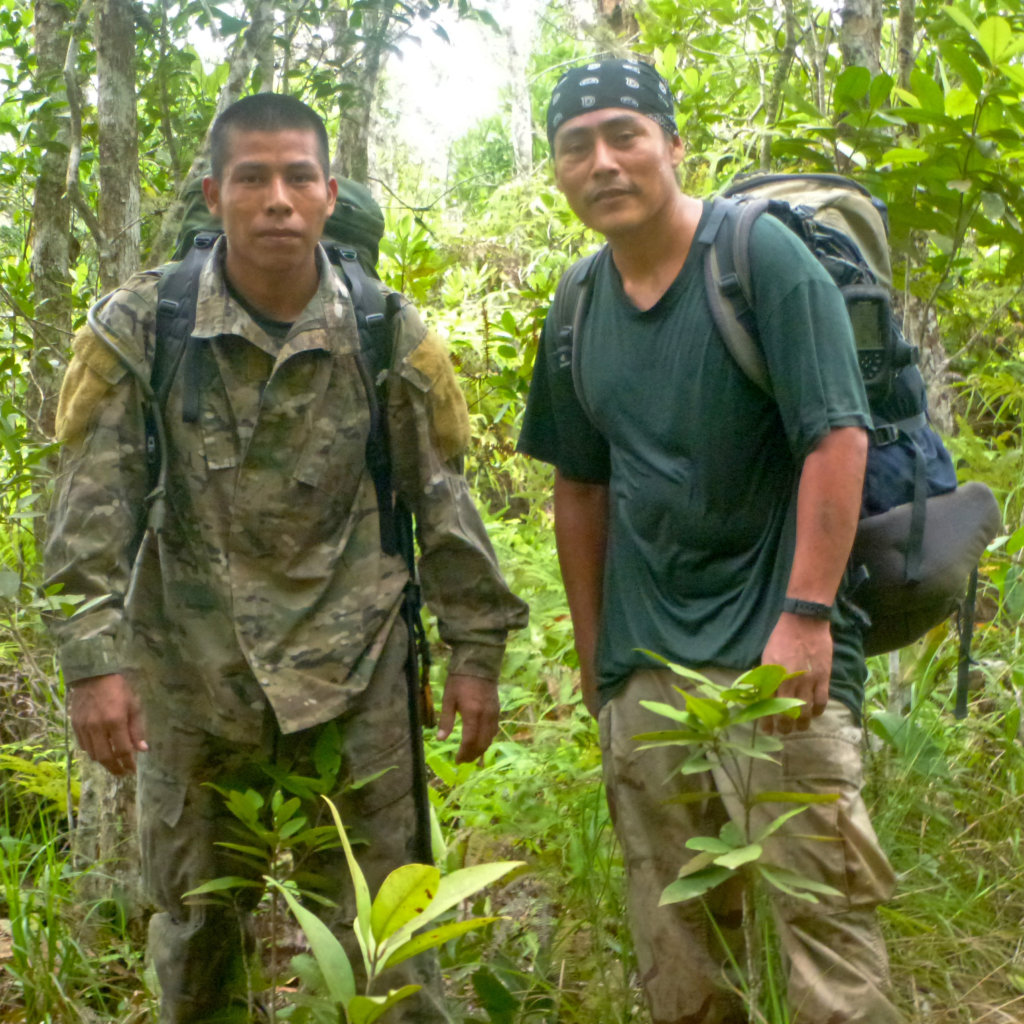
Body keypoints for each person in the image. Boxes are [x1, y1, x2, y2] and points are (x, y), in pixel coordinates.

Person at [45, 93, 528, 1024]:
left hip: (357, 683)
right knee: (195, 941)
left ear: (327, 192)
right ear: (213, 192)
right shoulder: (141, 325)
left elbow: (444, 502)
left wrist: (477, 656)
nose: (277, 200)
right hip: (193, 683)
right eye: (253, 179)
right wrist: (93, 667)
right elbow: (88, 514)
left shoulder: (391, 332)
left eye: (297, 177)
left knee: (386, 953)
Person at [518, 58, 903, 1024]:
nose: (603, 162)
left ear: (673, 147)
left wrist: (808, 616)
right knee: (679, 951)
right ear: (558, 170)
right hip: (646, 669)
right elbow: (581, 484)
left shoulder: (757, 258)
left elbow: (836, 436)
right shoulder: (576, 303)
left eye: (625, 136)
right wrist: (600, 655)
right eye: (577, 146)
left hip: (778, 657)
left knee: (827, 937)